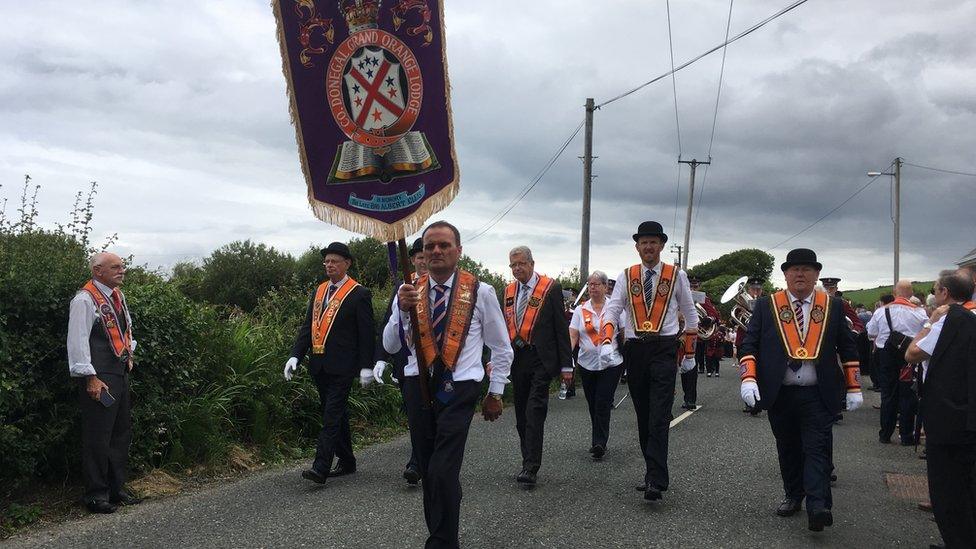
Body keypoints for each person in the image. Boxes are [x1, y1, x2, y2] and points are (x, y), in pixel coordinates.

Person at [383, 220, 513, 549]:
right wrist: (401, 308)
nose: (437, 251)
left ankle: (440, 543)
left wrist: (495, 391)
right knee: (430, 470)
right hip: (417, 385)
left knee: (442, 469)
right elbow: (390, 345)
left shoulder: (480, 291)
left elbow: (501, 346)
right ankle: (443, 536)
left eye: (444, 245)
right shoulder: (410, 291)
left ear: (458, 250)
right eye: (430, 247)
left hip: (460, 388)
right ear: (422, 254)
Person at [738, 248, 862, 532]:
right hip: (780, 392)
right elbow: (750, 344)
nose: (800, 274)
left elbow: (847, 346)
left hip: (818, 393)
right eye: (794, 269)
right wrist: (748, 379)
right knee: (788, 447)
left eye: (807, 269)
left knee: (816, 448)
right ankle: (793, 494)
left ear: (816, 274)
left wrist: (854, 385)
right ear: (785, 275)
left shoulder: (833, 306)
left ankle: (818, 506)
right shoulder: (768, 305)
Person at [600, 221, 698, 502]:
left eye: (653, 242)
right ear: (637, 247)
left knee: (658, 415)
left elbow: (690, 315)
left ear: (662, 245)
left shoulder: (675, 275)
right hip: (636, 350)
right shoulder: (626, 275)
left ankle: (656, 478)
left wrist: (689, 354)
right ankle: (651, 470)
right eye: (644, 243)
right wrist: (607, 341)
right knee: (644, 415)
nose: (648, 247)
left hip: (664, 348)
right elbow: (612, 310)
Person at [284, 242, 375, 484]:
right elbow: (308, 328)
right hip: (319, 364)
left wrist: (367, 366)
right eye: (326, 261)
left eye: (334, 261)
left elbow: (367, 333)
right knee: (337, 414)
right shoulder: (319, 291)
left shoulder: (359, 293)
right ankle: (348, 461)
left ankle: (320, 467)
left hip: (344, 366)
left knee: (331, 416)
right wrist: (295, 355)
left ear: (347, 263)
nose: (329, 265)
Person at [67, 252, 142, 514]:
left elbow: (125, 330)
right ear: (98, 271)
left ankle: (115, 488)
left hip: (119, 372)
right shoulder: (84, 300)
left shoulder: (117, 297)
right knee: (98, 437)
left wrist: (129, 353)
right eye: (116, 267)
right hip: (98, 376)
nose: (122, 271)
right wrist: (90, 377)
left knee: (120, 433)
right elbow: (77, 342)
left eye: (122, 266)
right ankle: (95, 495)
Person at [906, 270, 976, 548]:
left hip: (952, 416)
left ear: (945, 293)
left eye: (935, 289)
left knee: (949, 489)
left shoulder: (950, 319)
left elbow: (912, 353)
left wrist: (930, 322)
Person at [504, 246, 573, 485]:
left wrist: (567, 365)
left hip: (542, 358)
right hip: (518, 359)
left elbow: (560, 328)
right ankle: (527, 458)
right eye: (513, 265)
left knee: (534, 410)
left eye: (521, 263)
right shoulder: (509, 291)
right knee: (521, 414)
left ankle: (531, 466)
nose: (517, 269)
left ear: (532, 263)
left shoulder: (550, 288)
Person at [372, 237, 426, 485]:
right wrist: (383, 358)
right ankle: (417, 461)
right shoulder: (403, 287)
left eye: (426, 255)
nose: (423, 261)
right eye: (419, 257)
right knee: (414, 413)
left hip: (438, 363)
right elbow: (389, 323)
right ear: (413, 260)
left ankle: (422, 460)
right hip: (406, 362)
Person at [569, 271, 624, 460]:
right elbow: (573, 335)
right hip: (587, 363)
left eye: (596, 284)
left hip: (612, 363)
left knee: (602, 401)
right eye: (590, 284)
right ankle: (598, 437)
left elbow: (623, 333)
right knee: (592, 403)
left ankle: (599, 442)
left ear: (605, 287)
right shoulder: (580, 310)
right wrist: (568, 358)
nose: (592, 288)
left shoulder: (615, 308)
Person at [865, 280, 927, 445]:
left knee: (888, 394)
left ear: (894, 293)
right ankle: (907, 436)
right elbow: (927, 333)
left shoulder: (881, 312)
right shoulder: (919, 313)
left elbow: (871, 333)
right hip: (909, 355)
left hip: (886, 355)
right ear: (911, 293)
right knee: (908, 394)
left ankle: (885, 434)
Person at [738, 276, 765, 415]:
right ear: (748, 289)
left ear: (762, 290)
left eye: (758, 289)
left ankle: (758, 401)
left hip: (761, 342)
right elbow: (732, 320)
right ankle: (749, 402)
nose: (756, 291)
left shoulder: (766, 303)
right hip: (744, 341)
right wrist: (742, 312)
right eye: (753, 288)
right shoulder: (741, 303)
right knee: (746, 372)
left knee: (760, 372)